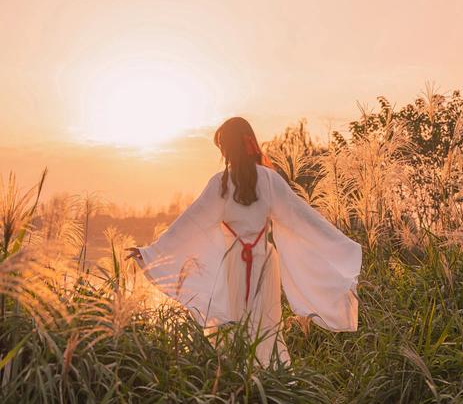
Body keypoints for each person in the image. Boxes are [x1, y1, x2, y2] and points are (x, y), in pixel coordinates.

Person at [126, 117, 362, 366]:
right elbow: (304, 220)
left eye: (222, 147)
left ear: (228, 148)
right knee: (267, 327)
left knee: (235, 327)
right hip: (265, 263)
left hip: (233, 265)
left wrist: (152, 253)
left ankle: (238, 379)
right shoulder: (270, 181)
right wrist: (344, 248)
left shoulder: (221, 183)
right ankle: (271, 378)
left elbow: (189, 225)